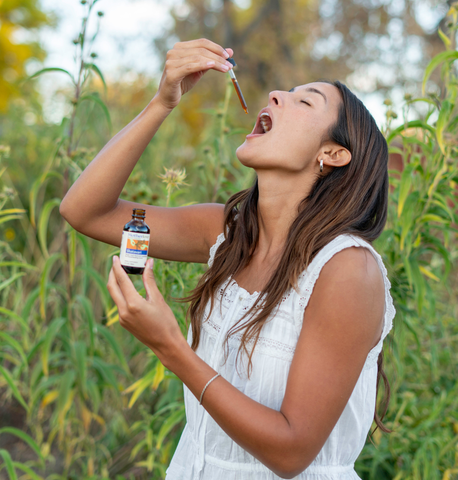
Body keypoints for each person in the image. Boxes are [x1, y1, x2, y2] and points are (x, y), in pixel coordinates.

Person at [60, 38, 395, 480]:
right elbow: (85, 211)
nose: (276, 95)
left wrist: (170, 347)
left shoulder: (349, 270)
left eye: (304, 100)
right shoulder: (225, 234)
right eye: (283, 93)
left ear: (332, 154)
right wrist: (163, 102)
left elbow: (291, 452)